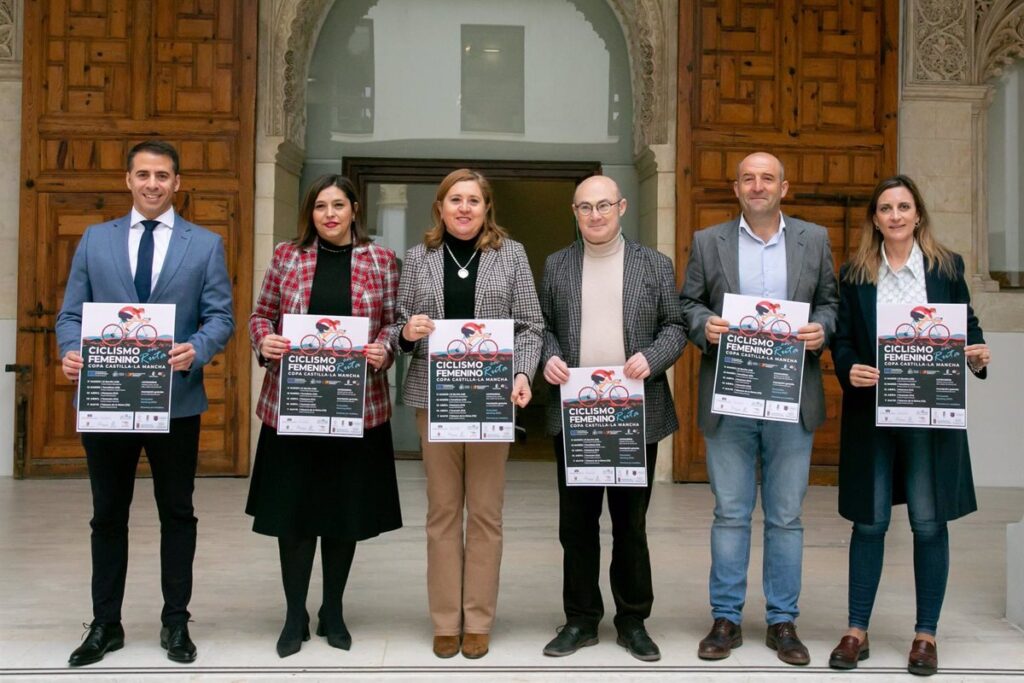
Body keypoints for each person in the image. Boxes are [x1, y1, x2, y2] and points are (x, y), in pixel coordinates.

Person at [55, 140, 235, 666]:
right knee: (107, 515)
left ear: (178, 183)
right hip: (107, 401)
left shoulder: (204, 245)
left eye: (163, 175)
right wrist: (70, 352)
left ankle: (175, 623)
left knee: (177, 514)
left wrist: (196, 349)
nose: (153, 183)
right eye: (143, 174)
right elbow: (71, 315)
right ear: (127, 180)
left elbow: (220, 317)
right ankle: (105, 624)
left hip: (176, 402)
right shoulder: (94, 240)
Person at [827, 175, 991, 676]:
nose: (895, 216)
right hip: (873, 413)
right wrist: (848, 365)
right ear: (874, 220)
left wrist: (977, 357)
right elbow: (845, 339)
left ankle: (926, 634)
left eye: (903, 207)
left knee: (927, 520)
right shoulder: (855, 273)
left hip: (931, 415)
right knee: (870, 521)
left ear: (918, 214)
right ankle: (857, 630)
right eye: (885, 209)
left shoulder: (946, 267)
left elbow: (968, 325)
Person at [679, 151, 838, 665]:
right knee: (730, 512)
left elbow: (831, 303)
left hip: (793, 398)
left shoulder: (813, 240)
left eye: (767, 178)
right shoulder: (709, 241)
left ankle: (782, 621)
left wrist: (823, 330)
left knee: (786, 516)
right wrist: (705, 325)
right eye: (748, 178)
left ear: (784, 188)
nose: (757, 185)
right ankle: (725, 617)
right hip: (731, 395)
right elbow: (688, 302)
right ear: (736, 187)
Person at [245, 174, 402, 658]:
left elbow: (396, 322)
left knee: (342, 512)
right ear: (309, 213)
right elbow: (261, 315)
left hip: (357, 409)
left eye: (338, 205)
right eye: (319, 206)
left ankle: (333, 609)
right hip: (294, 405)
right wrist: (264, 341)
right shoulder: (287, 257)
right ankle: (295, 613)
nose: (329, 214)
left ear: (355, 209)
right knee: (293, 514)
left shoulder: (381, 260)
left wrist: (385, 348)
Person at [389, 168, 543, 660]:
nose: (463, 208)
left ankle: (477, 620)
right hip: (434, 400)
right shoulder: (419, 258)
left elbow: (530, 327)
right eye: (455, 199)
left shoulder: (510, 254)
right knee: (441, 513)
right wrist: (408, 330)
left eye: (473, 200)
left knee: (485, 514)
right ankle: (444, 620)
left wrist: (521, 374)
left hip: (492, 400)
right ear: (440, 207)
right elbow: (397, 323)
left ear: (486, 207)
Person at [539, 175, 686, 662]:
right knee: (576, 524)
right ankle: (581, 620)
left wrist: (654, 356)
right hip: (577, 414)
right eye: (585, 207)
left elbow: (676, 326)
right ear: (574, 211)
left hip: (635, 414)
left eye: (604, 205)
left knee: (631, 521)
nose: (595, 215)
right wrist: (549, 358)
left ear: (621, 207)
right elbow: (542, 328)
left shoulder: (654, 264)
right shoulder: (557, 265)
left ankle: (633, 621)